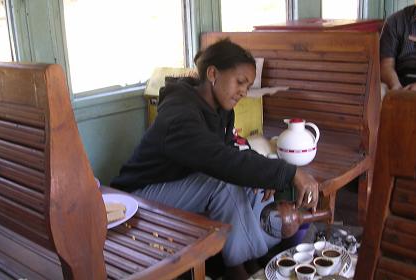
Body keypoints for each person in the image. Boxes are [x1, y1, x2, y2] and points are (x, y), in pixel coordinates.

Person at [111, 38, 319, 280]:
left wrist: (264, 176)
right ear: (213, 74)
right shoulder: (179, 114)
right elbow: (220, 161)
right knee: (222, 183)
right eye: (240, 82)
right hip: (138, 198)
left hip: (179, 185)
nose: (244, 91)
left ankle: (254, 261)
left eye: (248, 85)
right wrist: (289, 172)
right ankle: (238, 269)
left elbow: (231, 151)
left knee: (252, 184)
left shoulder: (221, 111)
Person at [380, 0, 416, 91]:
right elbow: (386, 65)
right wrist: (396, 87)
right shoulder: (395, 21)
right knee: (379, 90)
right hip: (401, 82)